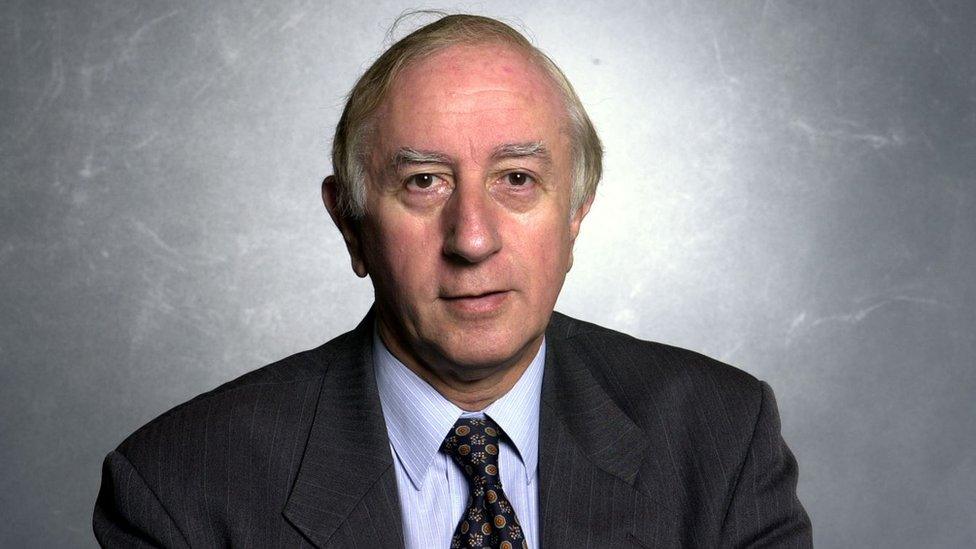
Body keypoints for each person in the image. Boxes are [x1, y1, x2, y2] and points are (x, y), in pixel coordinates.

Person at [94, 13, 812, 548]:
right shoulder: (179, 487)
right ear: (351, 223)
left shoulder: (721, 439)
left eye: (518, 179)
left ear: (576, 214)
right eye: (425, 181)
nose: (472, 237)